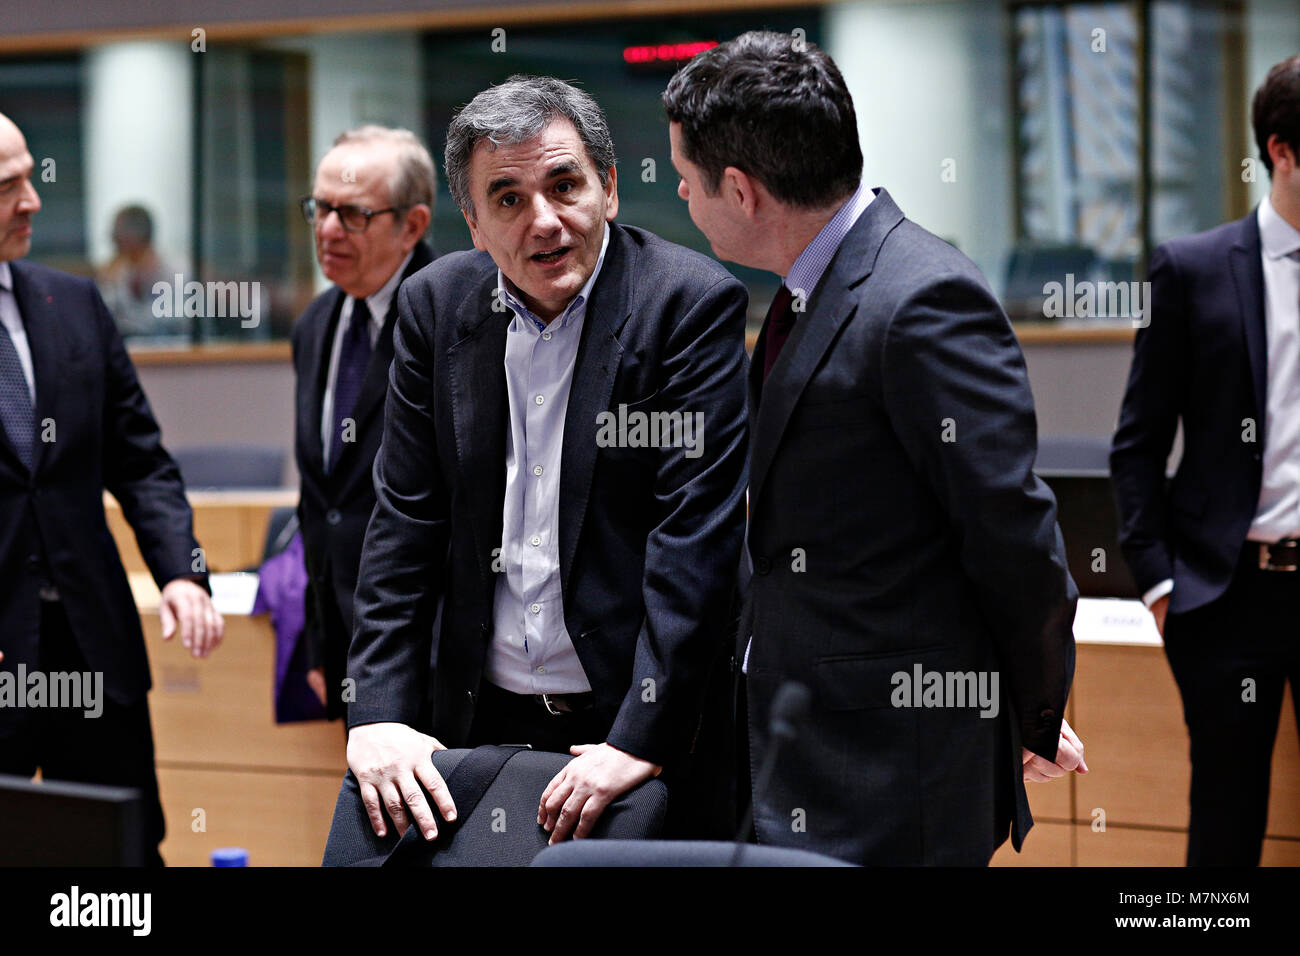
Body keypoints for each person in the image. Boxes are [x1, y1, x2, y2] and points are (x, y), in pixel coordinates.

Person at [662, 31, 1085, 866]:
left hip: (894, 766)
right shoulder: (805, 290)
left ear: (741, 190)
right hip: (799, 742)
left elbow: (1013, 535)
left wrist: (1031, 716)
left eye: (685, 175)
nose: (678, 190)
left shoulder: (922, 296)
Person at [322, 76, 748, 862]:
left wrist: (640, 737)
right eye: (508, 199)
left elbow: (697, 541)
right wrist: (377, 710)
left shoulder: (687, 305)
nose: (544, 221)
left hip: (632, 728)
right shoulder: (435, 306)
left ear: (610, 189)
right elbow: (406, 525)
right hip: (478, 721)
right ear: (474, 225)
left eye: (564, 184)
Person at [0, 111, 224, 866]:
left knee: (119, 860)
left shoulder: (72, 304)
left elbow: (140, 460)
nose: (32, 199)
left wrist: (181, 573)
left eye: (31, 175)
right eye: (8, 186)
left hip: (91, 645)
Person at [1111, 54, 1300, 867]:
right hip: (1228, 597)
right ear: (1281, 150)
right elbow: (1137, 443)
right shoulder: (1191, 270)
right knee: (1226, 821)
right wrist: (1161, 586)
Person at [292, 126, 435, 723]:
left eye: (353, 214)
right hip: (350, 644)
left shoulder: (461, 314)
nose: (327, 230)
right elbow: (321, 498)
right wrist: (324, 638)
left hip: (434, 649)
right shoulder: (317, 322)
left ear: (412, 224)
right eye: (320, 209)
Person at [96, 204, 184, 340]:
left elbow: (177, 323)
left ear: (135, 235)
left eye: (117, 232)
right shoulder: (116, 273)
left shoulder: (176, 271)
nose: (113, 239)